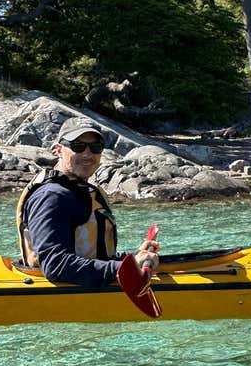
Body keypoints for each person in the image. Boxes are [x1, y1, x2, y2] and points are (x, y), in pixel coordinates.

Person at [16, 116, 159, 286]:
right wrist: (126, 269)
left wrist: (135, 257)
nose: (87, 154)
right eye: (78, 146)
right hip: (62, 296)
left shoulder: (82, 190)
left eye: (95, 147)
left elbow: (94, 254)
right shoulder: (51, 197)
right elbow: (55, 266)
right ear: (58, 150)